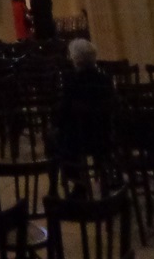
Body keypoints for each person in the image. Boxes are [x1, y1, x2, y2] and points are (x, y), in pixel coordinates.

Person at [53, 39, 116, 192]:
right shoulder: (105, 80)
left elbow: (63, 112)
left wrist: (55, 123)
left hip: (80, 139)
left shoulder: (73, 82)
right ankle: (107, 174)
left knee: (57, 139)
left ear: (75, 59)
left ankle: (76, 182)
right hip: (104, 136)